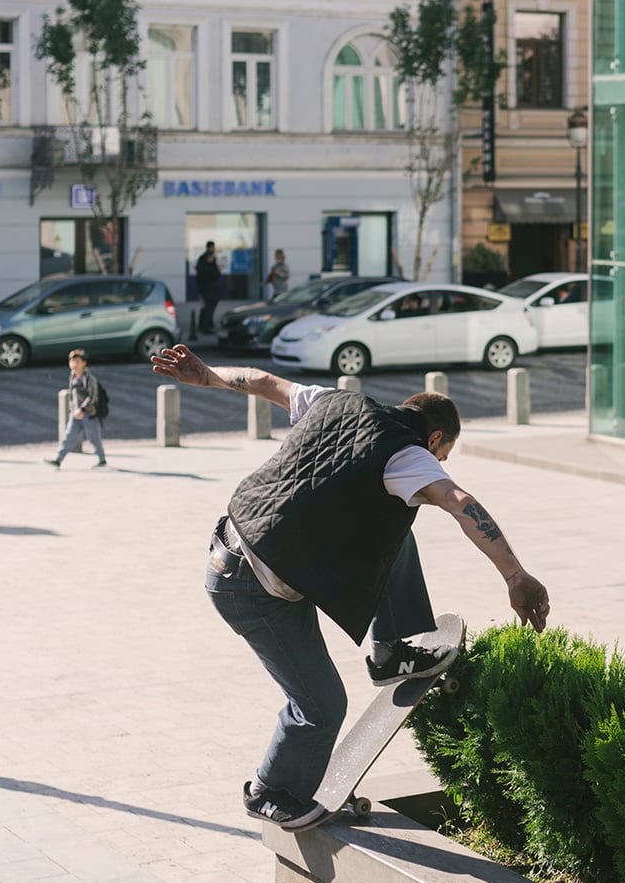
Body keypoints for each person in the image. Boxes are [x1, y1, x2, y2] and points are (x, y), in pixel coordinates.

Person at [149, 343, 550, 831]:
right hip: (252, 590)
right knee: (321, 708)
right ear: (435, 438)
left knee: (396, 520)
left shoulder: (333, 399)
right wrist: (515, 575)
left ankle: (390, 652)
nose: (439, 465)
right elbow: (460, 501)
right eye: (442, 455)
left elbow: (261, 381)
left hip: (245, 549)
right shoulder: (410, 455)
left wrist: (207, 374)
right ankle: (268, 790)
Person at [46, 349, 106, 468]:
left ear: (84, 363)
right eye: (72, 361)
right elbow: (73, 394)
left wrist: (82, 409)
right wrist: (73, 409)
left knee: (93, 438)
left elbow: (93, 396)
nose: (74, 364)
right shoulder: (72, 376)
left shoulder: (89, 378)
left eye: (77, 361)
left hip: (89, 414)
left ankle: (102, 459)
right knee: (69, 436)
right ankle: (58, 459)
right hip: (76, 413)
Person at [194, 244, 222, 338]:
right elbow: (204, 274)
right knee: (207, 307)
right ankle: (206, 327)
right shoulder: (204, 260)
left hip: (211, 289)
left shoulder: (212, 259)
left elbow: (216, 275)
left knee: (208, 307)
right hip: (206, 289)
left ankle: (207, 325)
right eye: (212, 248)